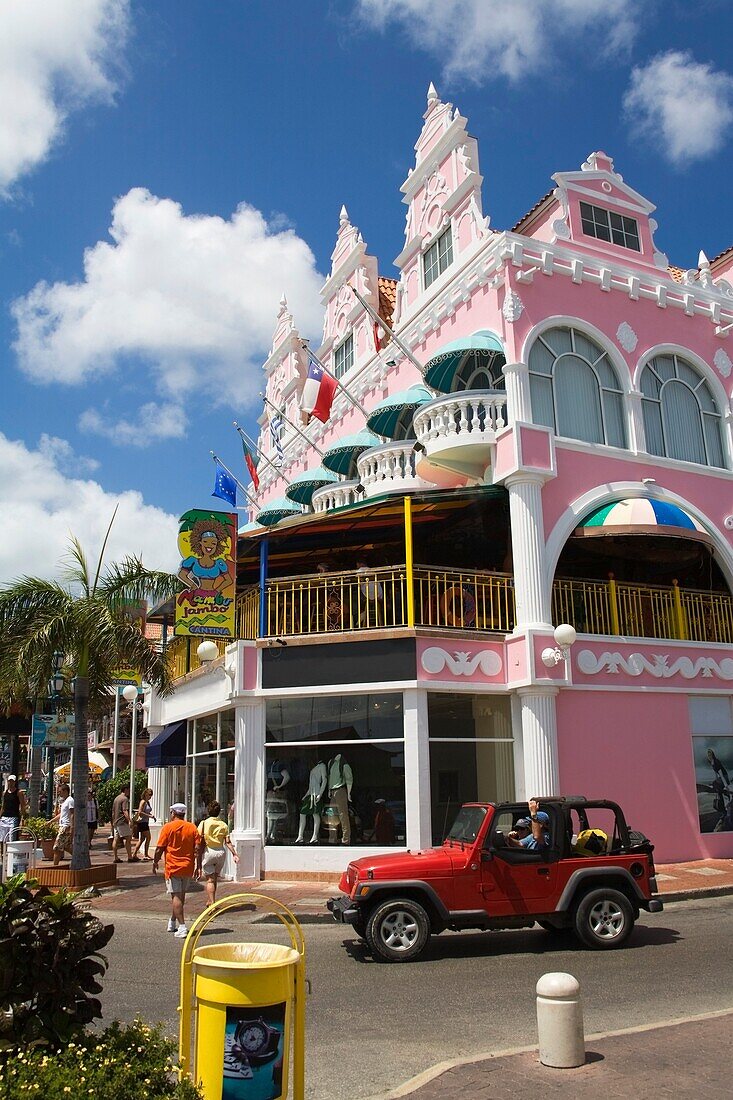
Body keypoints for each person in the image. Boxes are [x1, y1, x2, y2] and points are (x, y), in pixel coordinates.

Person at [153, 803, 202, 938]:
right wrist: (198, 866)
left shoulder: (167, 827)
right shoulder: (192, 827)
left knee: (176, 896)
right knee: (180, 896)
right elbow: (197, 848)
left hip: (173, 867)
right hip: (187, 866)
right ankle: (172, 921)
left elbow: (159, 848)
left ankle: (182, 926)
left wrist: (155, 861)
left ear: (173, 813)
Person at [198, 800, 239, 906]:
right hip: (221, 852)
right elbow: (228, 842)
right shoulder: (223, 825)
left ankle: (212, 901)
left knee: (210, 880)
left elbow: (198, 839)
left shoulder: (203, 823)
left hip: (209, 851)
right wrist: (234, 854)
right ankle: (212, 899)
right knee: (214, 878)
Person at [111, 788, 137, 863]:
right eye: (129, 790)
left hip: (116, 821)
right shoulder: (124, 799)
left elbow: (113, 811)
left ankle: (116, 857)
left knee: (116, 839)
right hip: (122, 821)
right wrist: (129, 820)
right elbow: (125, 810)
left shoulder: (116, 798)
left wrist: (113, 821)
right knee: (128, 838)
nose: (129, 792)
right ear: (125, 790)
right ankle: (130, 857)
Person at [51, 783, 74, 865]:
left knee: (56, 848)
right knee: (66, 847)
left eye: (60, 791)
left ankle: (55, 866)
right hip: (62, 826)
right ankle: (79, 857)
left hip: (65, 827)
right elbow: (61, 814)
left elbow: (72, 814)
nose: (59, 793)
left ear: (65, 791)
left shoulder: (70, 800)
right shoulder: (65, 801)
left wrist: (71, 827)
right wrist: (51, 821)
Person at [0, 775, 27, 843]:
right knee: (2, 839)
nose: (11, 783)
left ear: (15, 782)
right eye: (9, 781)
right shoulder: (5, 793)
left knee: (11, 838)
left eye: (12, 781)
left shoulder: (19, 792)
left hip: (13, 818)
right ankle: (3, 853)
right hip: (4, 817)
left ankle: (10, 853)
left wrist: (23, 818)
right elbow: (3, 806)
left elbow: (23, 806)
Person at [132, 787, 156, 861]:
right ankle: (145, 854)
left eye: (151, 795)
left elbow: (146, 811)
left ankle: (135, 854)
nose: (150, 797)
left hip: (145, 822)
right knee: (148, 837)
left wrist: (150, 815)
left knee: (142, 839)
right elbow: (140, 812)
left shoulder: (147, 802)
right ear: (145, 794)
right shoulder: (143, 802)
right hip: (142, 822)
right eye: (149, 795)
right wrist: (150, 816)